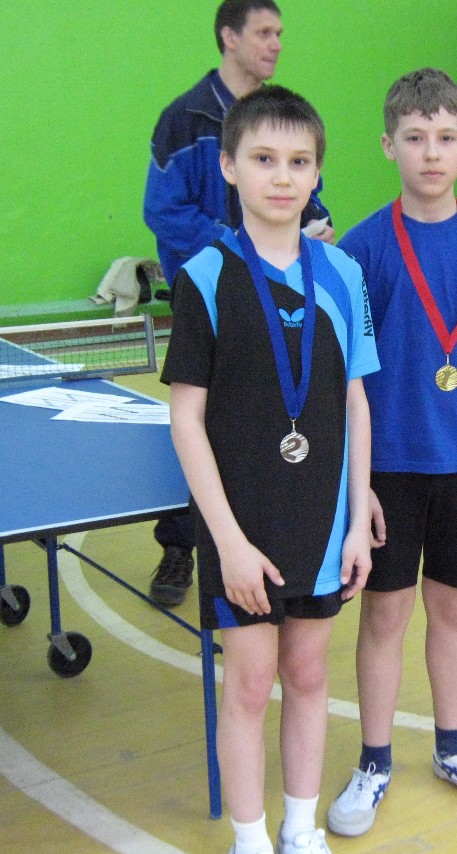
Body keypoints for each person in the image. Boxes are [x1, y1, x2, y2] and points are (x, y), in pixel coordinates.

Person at [163, 85, 377, 854]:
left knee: (310, 676)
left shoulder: (343, 274)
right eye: (263, 159)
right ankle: (250, 850)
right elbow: (187, 419)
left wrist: (356, 521)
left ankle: (301, 837)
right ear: (229, 167)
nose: (282, 177)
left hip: (322, 521)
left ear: (317, 173)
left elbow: (356, 401)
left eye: (298, 162)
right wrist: (226, 541)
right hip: (241, 526)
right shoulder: (204, 279)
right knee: (251, 684)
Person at [326, 68, 457, 837]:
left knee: (453, 608)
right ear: (389, 146)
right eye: (415, 138)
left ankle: (453, 749)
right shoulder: (361, 248)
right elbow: (346, 378)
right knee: (384, 613)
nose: (431, 153)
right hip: (386, 469)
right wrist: (356, 487)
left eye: (445, 138)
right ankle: (374, 761)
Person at [142, 0, 334, 607]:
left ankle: (285, 557)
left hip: (285, 302)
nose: (276, 43)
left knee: (272, 430)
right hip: (215, 303)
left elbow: (314, 204)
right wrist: (236, 249)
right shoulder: (184, 119)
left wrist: (318, 227)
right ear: (229, 36)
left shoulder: (285, 117)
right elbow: (163, 211)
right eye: (264, 32)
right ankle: (183, 544)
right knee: (202, 426)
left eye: (280, 33)